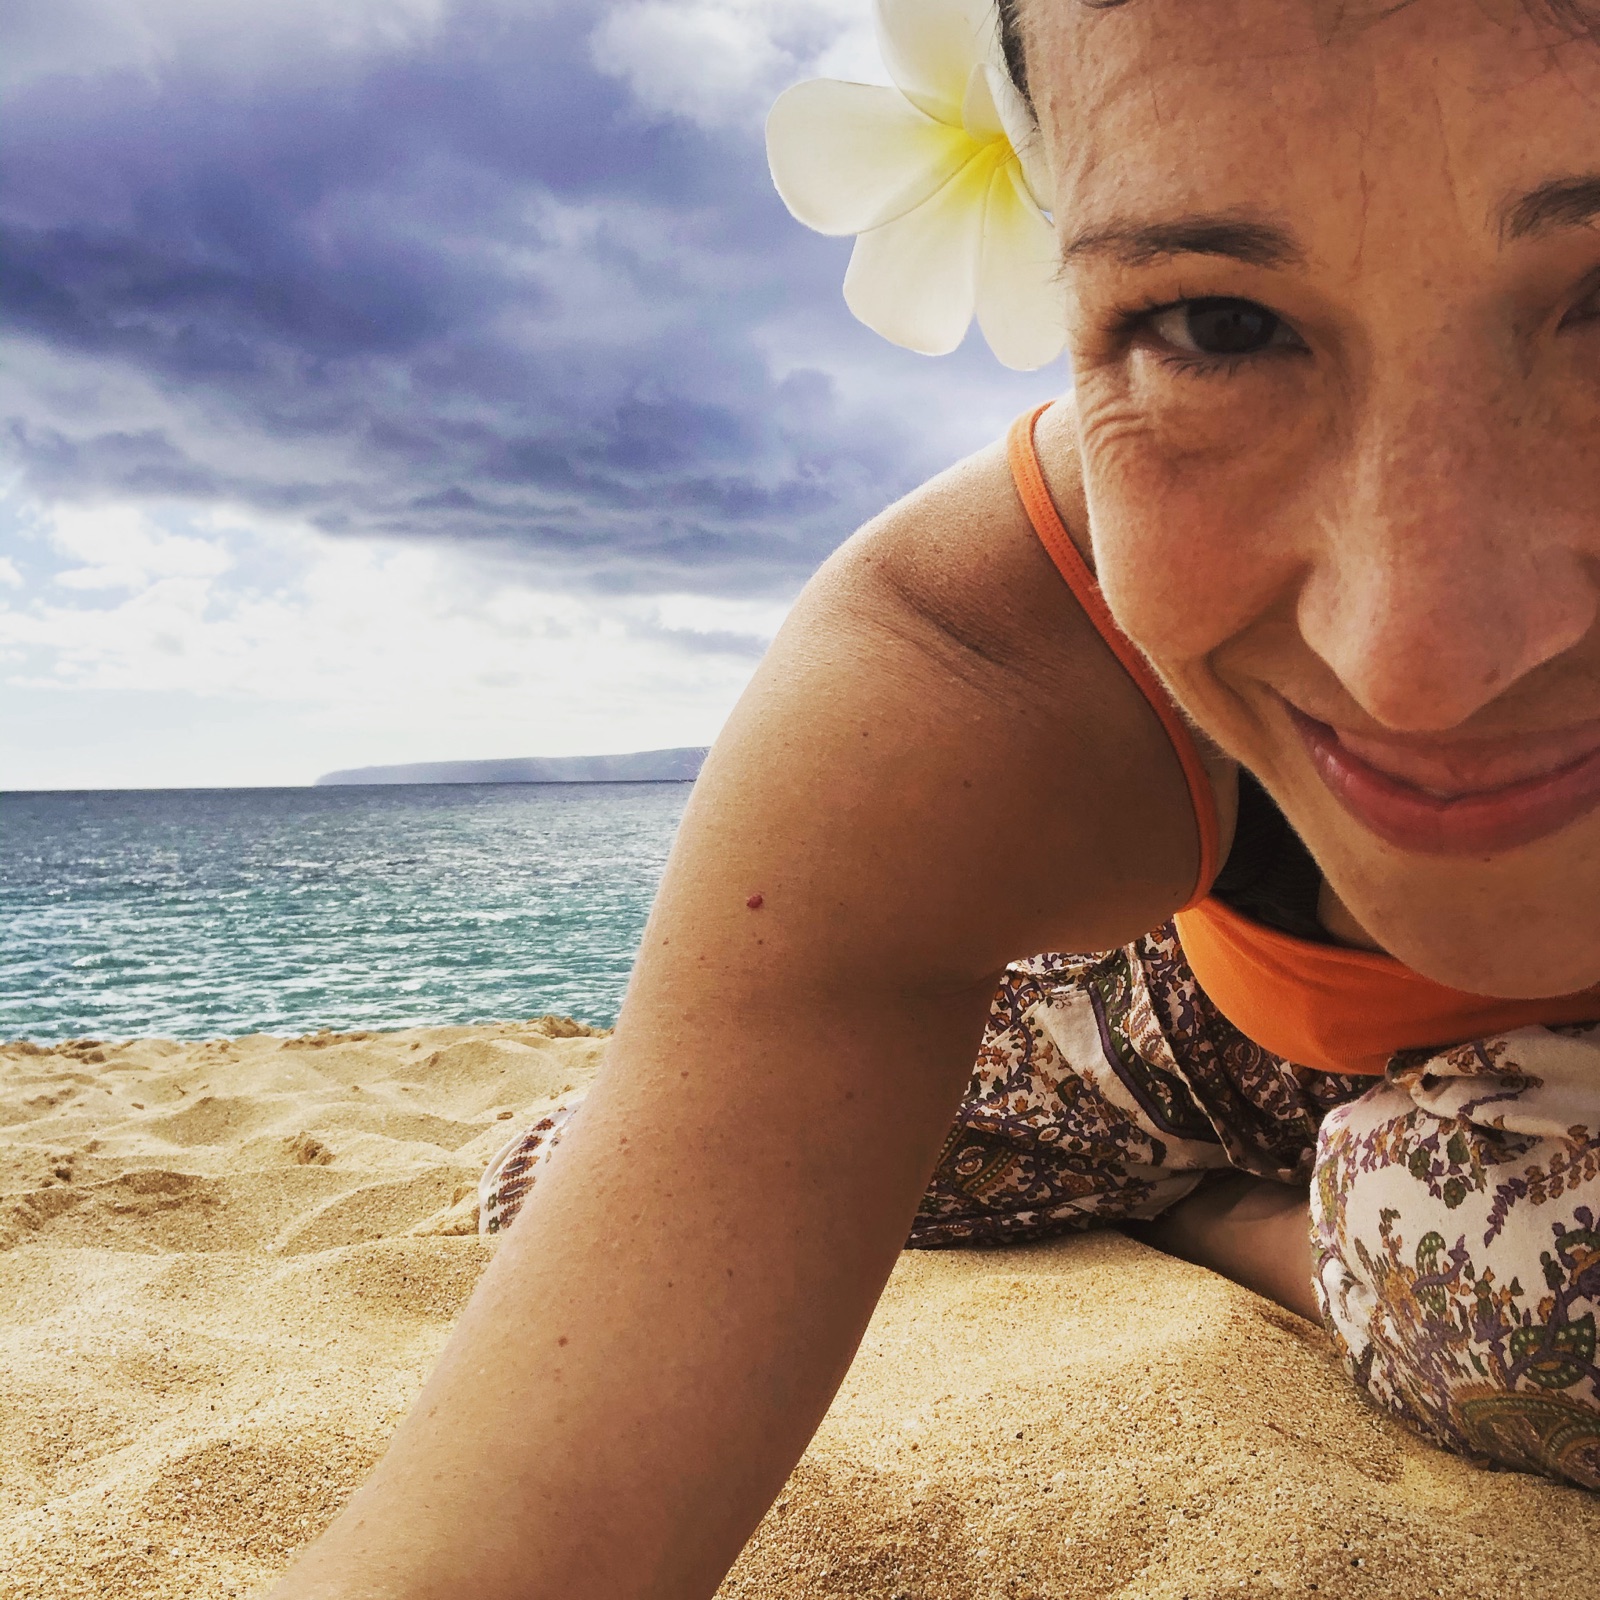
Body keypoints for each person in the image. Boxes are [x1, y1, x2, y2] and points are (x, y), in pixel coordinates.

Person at [271, 1, 1600, 1594]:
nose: (1417, 662)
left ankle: (1244, 1217)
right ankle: (1203, 1183)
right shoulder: (979, 655)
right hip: (1193, 1031)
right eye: (1217, 328)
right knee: (551, 1191)